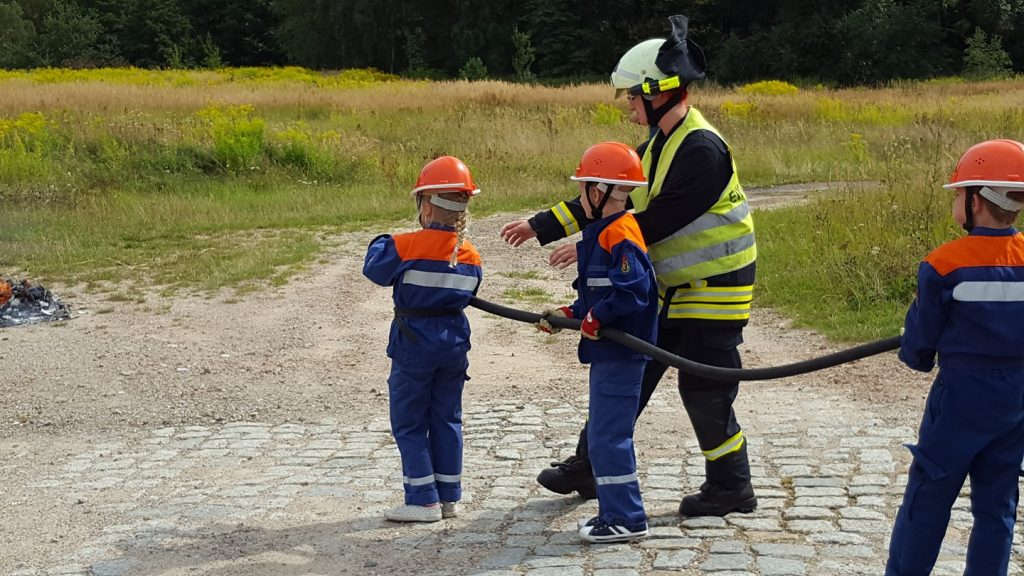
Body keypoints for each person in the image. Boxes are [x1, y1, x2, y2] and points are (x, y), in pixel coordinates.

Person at [501, 14, 758, 517]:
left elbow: (657, 219)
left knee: (705, 392)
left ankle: (731, 488)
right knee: (625, 376)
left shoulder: (702, 149)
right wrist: (542, 225)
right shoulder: (664, 140)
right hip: (670, 288)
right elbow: (611, 194)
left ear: (659, 91)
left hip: (715, 292)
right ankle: (590, 466)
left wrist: (596, 246)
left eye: (632, 97)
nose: (628, 107)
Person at [885, 139, 1024, 576]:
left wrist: (917, 356)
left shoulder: (944, 264)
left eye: (958, 194)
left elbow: (920, 340)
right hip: (1016, 401)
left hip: (960, 398)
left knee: (927, 500)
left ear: (977, 200)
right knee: (997, 507)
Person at [537, 141, 658, 543]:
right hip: (609, 349)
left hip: (622, 350)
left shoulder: (620, 233)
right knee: (605, 436)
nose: (581, 196)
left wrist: (596, 318)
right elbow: (600, 292)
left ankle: (626, 517)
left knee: (608, 438)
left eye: (585, 186)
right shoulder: (604, 231)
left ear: (598, 191)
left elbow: (633, 293)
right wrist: (571, 314)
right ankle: (615, 513)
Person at [363, 156, 483, 523]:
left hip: (414, 344)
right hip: (453, 344)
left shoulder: (406, 245)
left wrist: (382, 239)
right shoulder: (471, 255)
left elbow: (374, 270)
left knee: (409, 421)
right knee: (447, 419)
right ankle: (449, 497)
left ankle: (421, 500)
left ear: (427, 203)